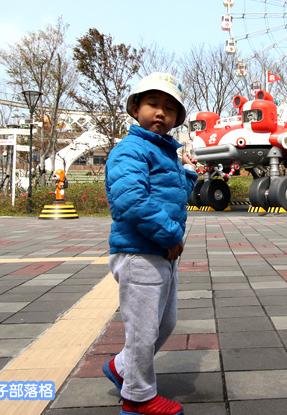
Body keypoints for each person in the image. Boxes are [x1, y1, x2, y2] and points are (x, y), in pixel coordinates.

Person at [103, 72, 197, 415]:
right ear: (135, 108)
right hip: (140, 250)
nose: (161, 113)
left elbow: (172, 198)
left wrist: (187, 174)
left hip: (161, 251)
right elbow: (130, 201)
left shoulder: (165, 152)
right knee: (143, 330)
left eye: (169, 109)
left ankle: (121, 368)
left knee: (164, 324)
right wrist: (171, 235)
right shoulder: (131, 149)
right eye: (153, 104)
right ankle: (138, 398)